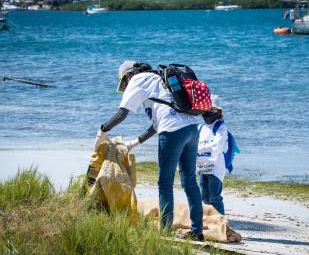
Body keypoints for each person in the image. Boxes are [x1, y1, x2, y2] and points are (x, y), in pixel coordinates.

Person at [93, 60, 204, 241]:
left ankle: (165, 231)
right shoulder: (159, 79)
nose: (126, 86)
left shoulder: (137, 80)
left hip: (173, 131)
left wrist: (102, 131)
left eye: (124, 82)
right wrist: (134, 143)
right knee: (190, 181)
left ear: (128, 75)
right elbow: (156, 125)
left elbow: (122, 114)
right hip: (192, 128)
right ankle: (197, 232)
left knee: (165, 183)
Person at [196, 97, 228, 215]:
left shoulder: (221, 127)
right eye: (207, 108)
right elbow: (194, 145)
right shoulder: (201, 128)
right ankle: (210, 221)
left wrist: (200, 148)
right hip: (202, 168)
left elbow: (217, 146)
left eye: (212, 109)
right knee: (204, 197)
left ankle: (221, 223)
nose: (209, 111)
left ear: (219, 112)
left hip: (215, 168)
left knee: (215, 197)